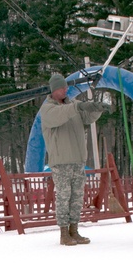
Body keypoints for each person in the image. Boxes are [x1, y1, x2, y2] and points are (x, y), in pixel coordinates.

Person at [38, 72, 108, 246]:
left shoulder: (73, 105)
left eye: (66, 87)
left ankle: (74, 230)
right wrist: (77, 107)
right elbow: (61, 115)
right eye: (62, 88)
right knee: (63, 197)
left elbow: (87, 117)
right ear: (54, 90)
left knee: (77, 197)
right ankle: (63, 232)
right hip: (61, 162)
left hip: (78, 160)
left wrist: (96, 109)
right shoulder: (48, 109)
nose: (65, 90)